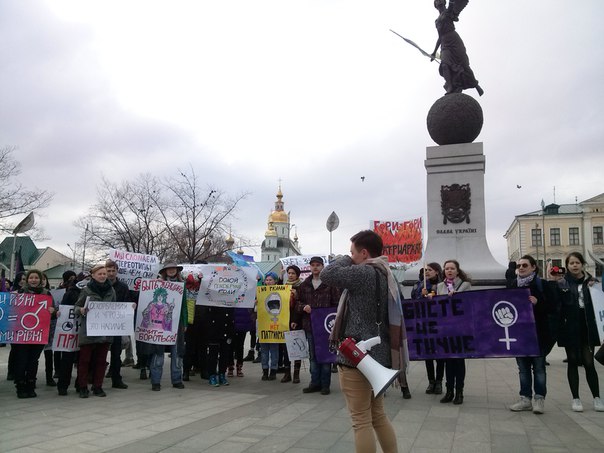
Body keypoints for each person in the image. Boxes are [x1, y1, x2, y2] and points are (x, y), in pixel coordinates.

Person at [322, 230, 407, 453]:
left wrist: (345, 259)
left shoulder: (363, 274)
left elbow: (327, 274)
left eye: (352, 252)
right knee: (378, 415)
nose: (350, 257)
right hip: (381, 354)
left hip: (355, 355)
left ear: (364, 253)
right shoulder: (388, 274)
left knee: (360, 420)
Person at [554, 252, 604, 412]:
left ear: (582, 264)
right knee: (573, 362)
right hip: (570, 327)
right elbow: (558, 307)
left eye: (577, 262)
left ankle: (597, 398)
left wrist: (595, 287)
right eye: (571, 263)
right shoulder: (563, 283)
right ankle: (576, 398)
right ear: (567, 266)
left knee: (589, 363)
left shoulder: (593, 282)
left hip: (588, 326)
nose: (574, 265)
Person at [507, 255, 557, 414]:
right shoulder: (513, 285)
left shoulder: (542, 284)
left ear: (534, 267)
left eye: (525, 265)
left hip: (538, 333)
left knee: (539, 368)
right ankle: (525, 399)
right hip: (520, 334)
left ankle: (539, 399)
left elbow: (553, 307)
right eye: (519, 265)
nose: (521, 268)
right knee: (523, 368)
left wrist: (538, 302)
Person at [295, 258, 340, 394]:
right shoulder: (304, 285)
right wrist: (303, 307)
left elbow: (337, 304)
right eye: (313, 265)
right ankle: (314, 382)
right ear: (310, 267)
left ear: (322, 266)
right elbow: (296, 303)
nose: (315, 268)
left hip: (326, 326)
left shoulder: (330, 284)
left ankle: (325, 384)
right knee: (313, 355)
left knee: (325, 354)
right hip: (310, 325)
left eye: (318, 265)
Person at [74, 263, 116, 398]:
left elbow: (116, 308)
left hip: (104, 331)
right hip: (88, 331)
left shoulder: (111, 291)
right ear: (93, 275)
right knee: (84, 361)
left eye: (104, 274)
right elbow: (76, 307)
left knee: (101, 361)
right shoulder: (86, 290)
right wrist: (80, 310)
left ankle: (98, 386)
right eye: (100, 274)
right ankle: (82, 387)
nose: (103, 276)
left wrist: (128, 308)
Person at [12, 269, 56, 398]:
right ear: (27, 279)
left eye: (36, 277)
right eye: (31, 277)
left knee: (33, 361)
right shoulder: (19, 293)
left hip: (39, 334)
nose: (34, 280)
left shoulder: (47, 294)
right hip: (21, 334)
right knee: (21, 360)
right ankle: (20, 386)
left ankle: (31, 385)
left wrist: (53, 311)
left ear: (41, 279)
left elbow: (52, 315)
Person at [146, 263, 187, 391]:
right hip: (159, 323)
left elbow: (184, 305)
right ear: (165, 271)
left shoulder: (182, 285)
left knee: (177, 353)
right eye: (169, 269)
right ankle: (156, 381)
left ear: (177, 271)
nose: (171, 270)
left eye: (173, 269)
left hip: (176, 323)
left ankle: (176, 379)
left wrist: (185, 322)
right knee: (158, 352)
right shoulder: (158, 284)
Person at [435, 259, 471, 405]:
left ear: (457, 270)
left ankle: (459, 391)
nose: (449, 271)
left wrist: (458, 297)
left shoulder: (465, 285)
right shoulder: (439, 286)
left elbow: (469, 304)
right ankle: (449, 391)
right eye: (447, 268)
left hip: (460, 328)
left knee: (458, 361)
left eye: (452, 268)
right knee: (448, 361)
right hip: (446, 328)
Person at [430, 0, 483, 96]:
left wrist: (452, 2)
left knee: (464, 65)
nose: (439, 1)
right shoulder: (437, 21)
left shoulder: (449, 11)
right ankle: (450, 86)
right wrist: (434, 52)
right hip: (445, 44)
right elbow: (440, 37)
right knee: (444, 64)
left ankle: (476, 85)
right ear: (435, 5)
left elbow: (452, 4)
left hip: (455, 41)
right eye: (437, 0)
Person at [412, 262, 445, 395]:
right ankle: (431, 381)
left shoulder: (443, 285)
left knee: (441, 355)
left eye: (430, 270)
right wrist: (422, 295)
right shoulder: (418, 285)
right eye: (425, 270)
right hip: (425, 324)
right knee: (428, 355)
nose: (427, 272)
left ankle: (439, 382)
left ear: (437, 272)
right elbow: (414, 301)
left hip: (440, 324)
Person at [104, 259, 133, 390]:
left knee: (116, 353)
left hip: (116, 324)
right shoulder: (99, 284)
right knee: (101, 352)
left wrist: (131, 306)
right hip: (101, 324)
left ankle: (116, 378)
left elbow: (127, 301)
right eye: (108, 271)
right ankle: (96, 377)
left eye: (113, 271)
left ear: (117, 271)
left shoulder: (123, 287)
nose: (110, 273)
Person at [281, 264, 303, 384]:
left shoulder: (301, 287)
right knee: (286, 348)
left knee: (296, 347)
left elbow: (300, 305)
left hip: (296, 321)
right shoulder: (284, 286)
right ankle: (287, 373)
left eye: (293, 273)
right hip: (285, 320)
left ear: (297, 275)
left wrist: (295, 320)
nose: (290, 275)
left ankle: (296, 374)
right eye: (289, 273)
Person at [258, 272, 280, 381]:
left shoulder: (281, 292)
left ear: (275, 281)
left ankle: (274, 370)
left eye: (271, 280)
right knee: (264, 349)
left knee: (274, 349)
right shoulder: (260, 292)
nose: (268, 282)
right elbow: (255, 310)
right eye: (267, 280)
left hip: (275, 325)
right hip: (263, 325)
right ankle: (265, 370)